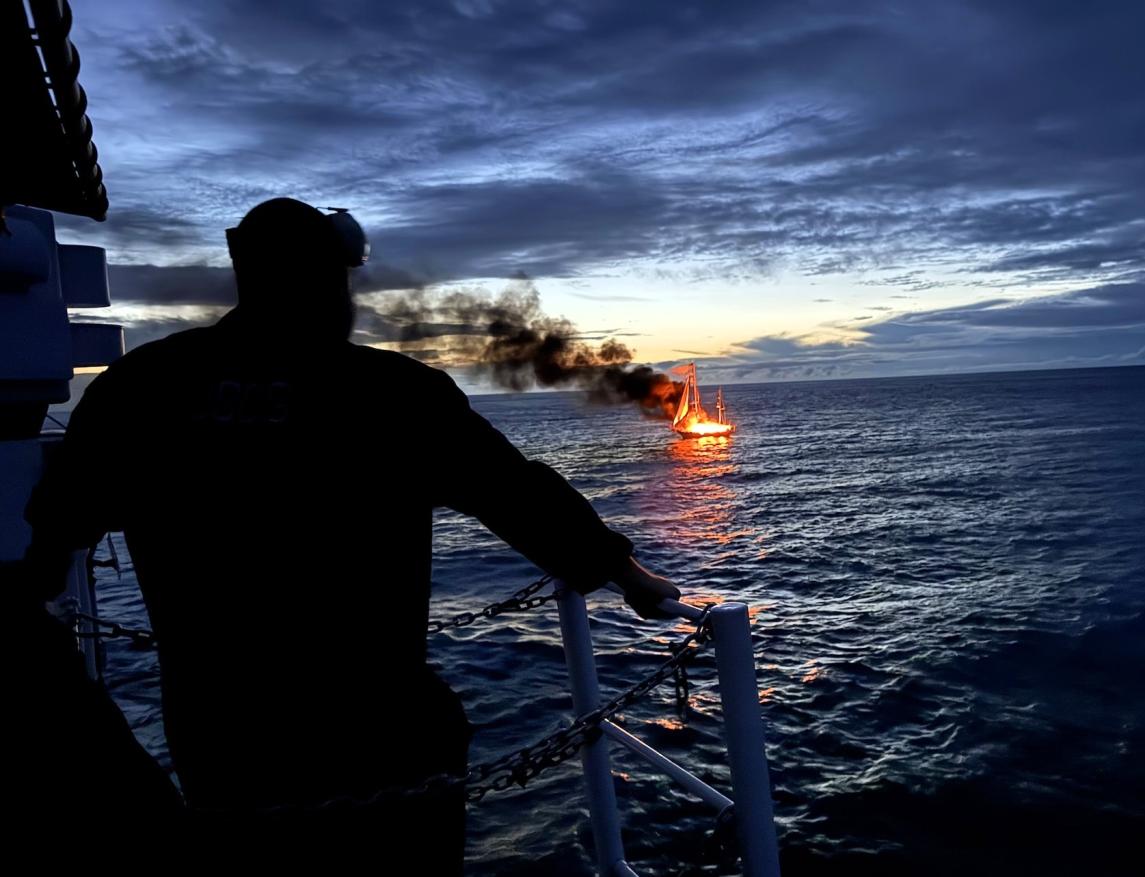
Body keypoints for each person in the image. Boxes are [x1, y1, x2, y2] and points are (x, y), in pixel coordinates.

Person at [23, 197, 681, 874]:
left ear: (244, 270)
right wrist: (627, 574)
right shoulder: (392, 392)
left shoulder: (142, 386)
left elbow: (58, 525)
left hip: (224, 740)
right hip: (384, 737)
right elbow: (514, 491)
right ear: (331, 279)